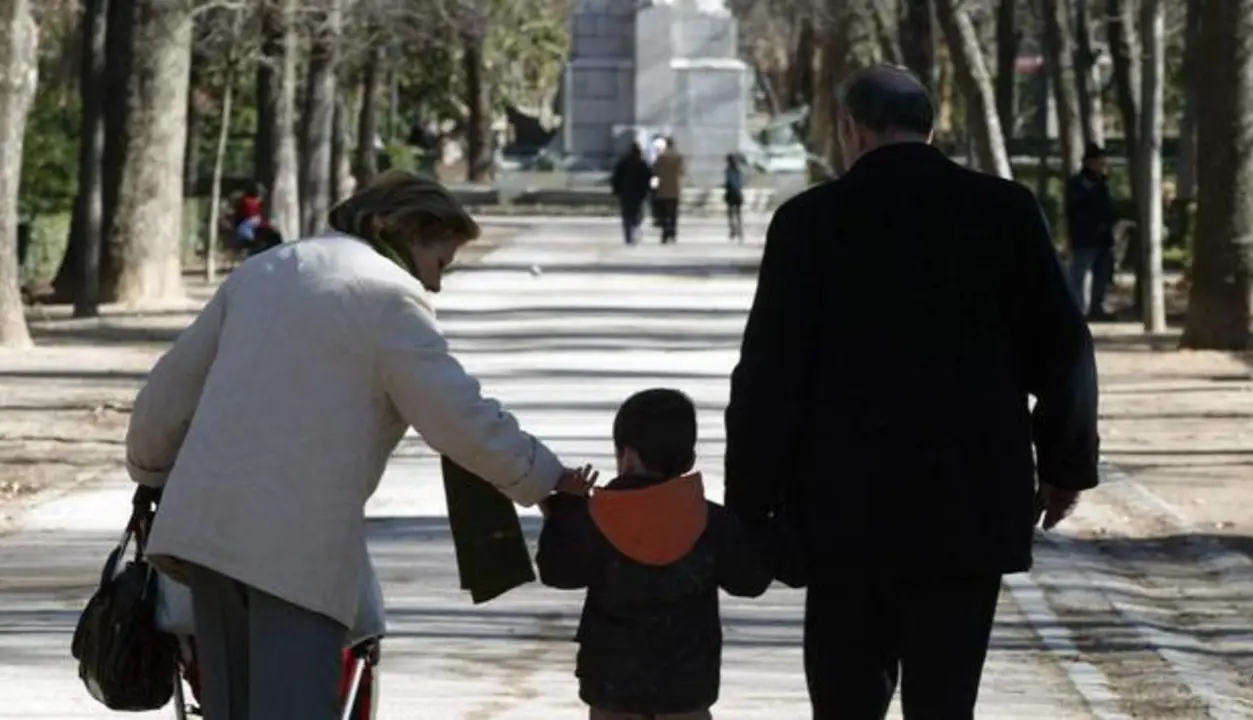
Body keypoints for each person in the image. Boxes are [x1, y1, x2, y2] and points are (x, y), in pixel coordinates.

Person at [124, 170, 592, 719]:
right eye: (440, 263)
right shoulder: (388, 298)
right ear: (411, 232)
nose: (437, 284)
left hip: (206, 536)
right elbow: (459, 416)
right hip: (295, 549)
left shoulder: (265, 269)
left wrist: (149, 470)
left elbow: (168, 394)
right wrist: (546, 479)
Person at [723, 65, 1100, 719]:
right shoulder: (1004, 211)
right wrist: (1066, 467)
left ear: (853, 130)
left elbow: (768, 377)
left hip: (843, 510)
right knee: (946, 703)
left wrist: (751, 507)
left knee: (845, 703)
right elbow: (1064, 347)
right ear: (930, 127)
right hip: (968, 505)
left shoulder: (809, 222)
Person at [537, 388, 773, 720]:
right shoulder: (710, 521)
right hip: (687, 692)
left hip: (612, 690)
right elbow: (749, 581)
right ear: (689, 460)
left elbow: (557, 571)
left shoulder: (596, 519)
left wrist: (566, 509)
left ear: (627, 457)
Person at [1065, 143, 1118, 319]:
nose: (1101, 166)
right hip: (1084, 237)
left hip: (1103, 238)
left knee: (1101, 275)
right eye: (1098, 162)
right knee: (1079, 275)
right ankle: (1077, 309)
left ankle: (1097, 308)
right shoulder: (1077, 183)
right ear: (1089, 162)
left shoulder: (1102, 183)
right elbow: (1075, 210)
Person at [611, 143, 653, 245]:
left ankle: (628, 235)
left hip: (625, 193)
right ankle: (635, 230)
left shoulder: (623, 163)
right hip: (639, 194)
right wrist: (650, 190)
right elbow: (649, 178)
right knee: (637, 214)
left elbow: (615, 178)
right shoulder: (642, 163)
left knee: (627, 215)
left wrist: (616, 190)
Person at [652, 137, 685, 244]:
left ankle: (665, 233)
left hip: (663, 190)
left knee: (664, 213)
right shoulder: (678, 158)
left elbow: (655, 171)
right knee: (673, 214)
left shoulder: (661, 158)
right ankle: (672, 232)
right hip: (674, 189)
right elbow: (681, 172)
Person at [723, 154, 745, 242]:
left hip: (732, 193)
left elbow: (731, 182)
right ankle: (738, 230)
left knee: (731, 213)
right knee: (737, 214)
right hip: (736, 193)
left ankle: (734, 230)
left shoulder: (729, 171)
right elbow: (739, 183)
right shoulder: (737, 171)